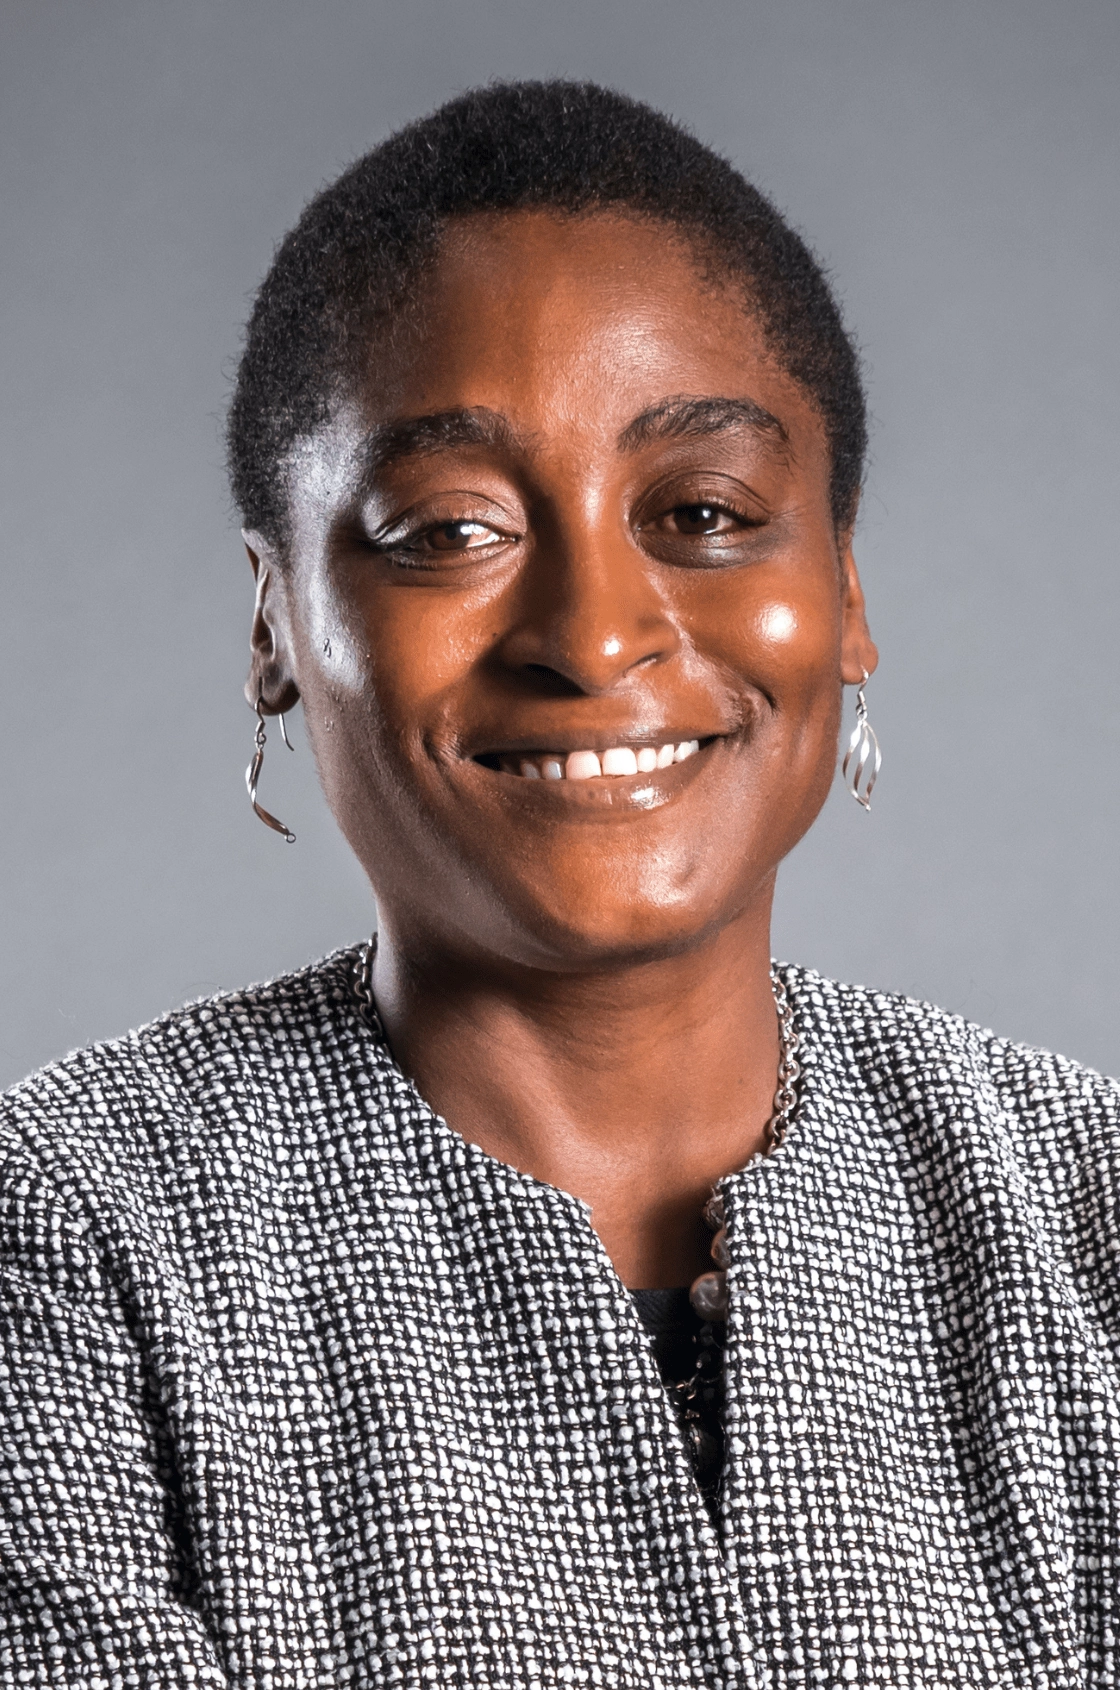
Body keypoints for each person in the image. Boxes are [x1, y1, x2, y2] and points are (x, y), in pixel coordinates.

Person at [0, 80, 1116, 1690]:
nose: (594, 636)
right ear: (275, 623)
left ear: (844, 585)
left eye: (705, 513)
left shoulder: (1089, 1209)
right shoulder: (71, 1240)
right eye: (448, 530)